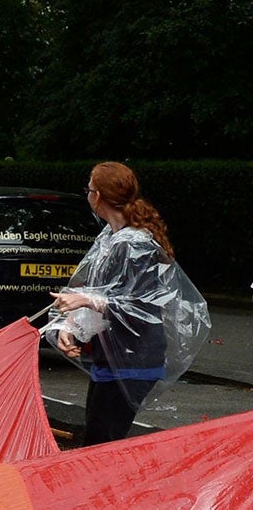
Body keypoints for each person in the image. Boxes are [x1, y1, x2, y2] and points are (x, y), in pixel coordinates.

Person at [49, 163, 208, 445]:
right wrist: (69, 326)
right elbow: (95, 288)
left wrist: (84, 300)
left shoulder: (134, 244)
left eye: (88, 188)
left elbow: (139, 306)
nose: (87, 194)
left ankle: (111, 490)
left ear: (97, 197)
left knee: (101, 444)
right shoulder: (111, 237)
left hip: (132, 359)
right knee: (98, 440)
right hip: (113, 356)